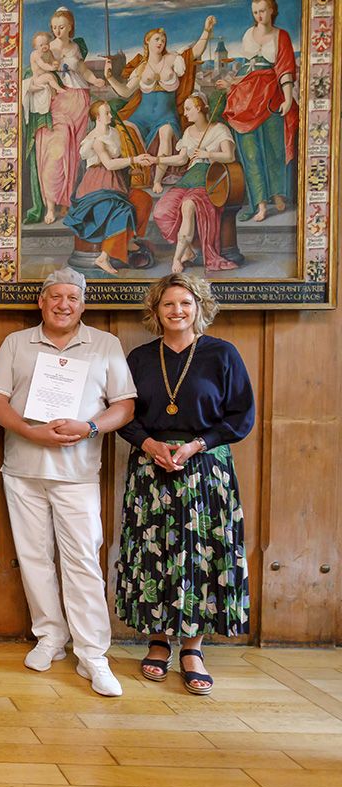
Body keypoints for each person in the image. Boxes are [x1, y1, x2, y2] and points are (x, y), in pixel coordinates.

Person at [0, 268, 136, 697]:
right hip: (24, 469)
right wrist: (30, 431)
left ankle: (93, 655)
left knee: (83, 562)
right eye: (55, 297)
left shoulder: (105, 345)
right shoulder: (16, 343)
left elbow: (123, 405)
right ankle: (50, 637)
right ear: (42, 302)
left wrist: (90, 427)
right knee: (34, 558)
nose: (63, 304)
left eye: (72, 297)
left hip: (78, 473)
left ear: (83, 304)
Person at [116, 274, 254, 696]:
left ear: (199, 308)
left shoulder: (221, 354)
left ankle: (193, 647)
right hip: (152, 469)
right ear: (155, 312)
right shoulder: (140, 358)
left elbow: (240, 415)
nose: (177, 311)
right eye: (168, 305)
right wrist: (150, 443)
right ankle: (157, 641)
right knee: (154, 555)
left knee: (201, 556)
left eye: (185, 304)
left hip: (205, 469)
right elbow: (125, 415)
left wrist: (198, 444)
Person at [103, 19, 217, 193]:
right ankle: (140, 173)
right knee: (124, 130)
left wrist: (206, 31)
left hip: (166, 115)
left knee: (166, 134)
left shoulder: (172, 59)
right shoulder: (141, 67)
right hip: (141, 116)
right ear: (147, 41)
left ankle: (157, 180)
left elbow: (195, 52)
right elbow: (125, 92)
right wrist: (110, 78)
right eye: (156, 39)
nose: (160, 42)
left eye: (163, 40)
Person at [217, 0, 298, 222]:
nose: (259, 15)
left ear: (272, 10)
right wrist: (232, 84)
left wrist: (289, 98)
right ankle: (260, 203)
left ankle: (277, 194)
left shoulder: (281, 36)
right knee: (251, 154)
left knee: (273, 149)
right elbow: (248, 69)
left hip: (271, 95)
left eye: (262, 11)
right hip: (246, 97)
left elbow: (285, 69)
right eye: (255, 12)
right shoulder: (247, 35)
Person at [147, 95, 240, 273]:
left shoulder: (219, 129)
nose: (185, 113)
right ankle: (187, 251)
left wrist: (207, 154)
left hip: (210, 178)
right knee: (161, 211)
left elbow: (229, 156)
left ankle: (176, 260)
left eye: (188, 108)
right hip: (189, 178)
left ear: (199, 108)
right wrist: (156, 159)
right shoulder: (189, 132)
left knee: (188, 206)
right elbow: (182, 158)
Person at [31, 7, 106, 225]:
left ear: (70, 27)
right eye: (54, 27)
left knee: (73, 154)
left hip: (79, 100)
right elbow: (37, 70)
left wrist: (96, 81)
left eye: (61, 27)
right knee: (56, 150)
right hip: (58, 101)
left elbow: (83, 71)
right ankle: (50, 205)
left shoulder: (75, 47)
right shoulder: (46, 47)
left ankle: (66, 202)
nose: (57, 31)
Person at [63, 100, 155, 274]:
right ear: (97, 117)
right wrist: (134, 160)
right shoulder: (95, 140)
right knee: (122, 209)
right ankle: (103, 257)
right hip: (97, 185)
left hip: (116, 182)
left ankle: (129, 240)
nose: (111, 116)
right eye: (107, 113)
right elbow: (109, 164)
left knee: (144, 199)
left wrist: (129, 170)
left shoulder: (113, 133)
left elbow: (117, 161)